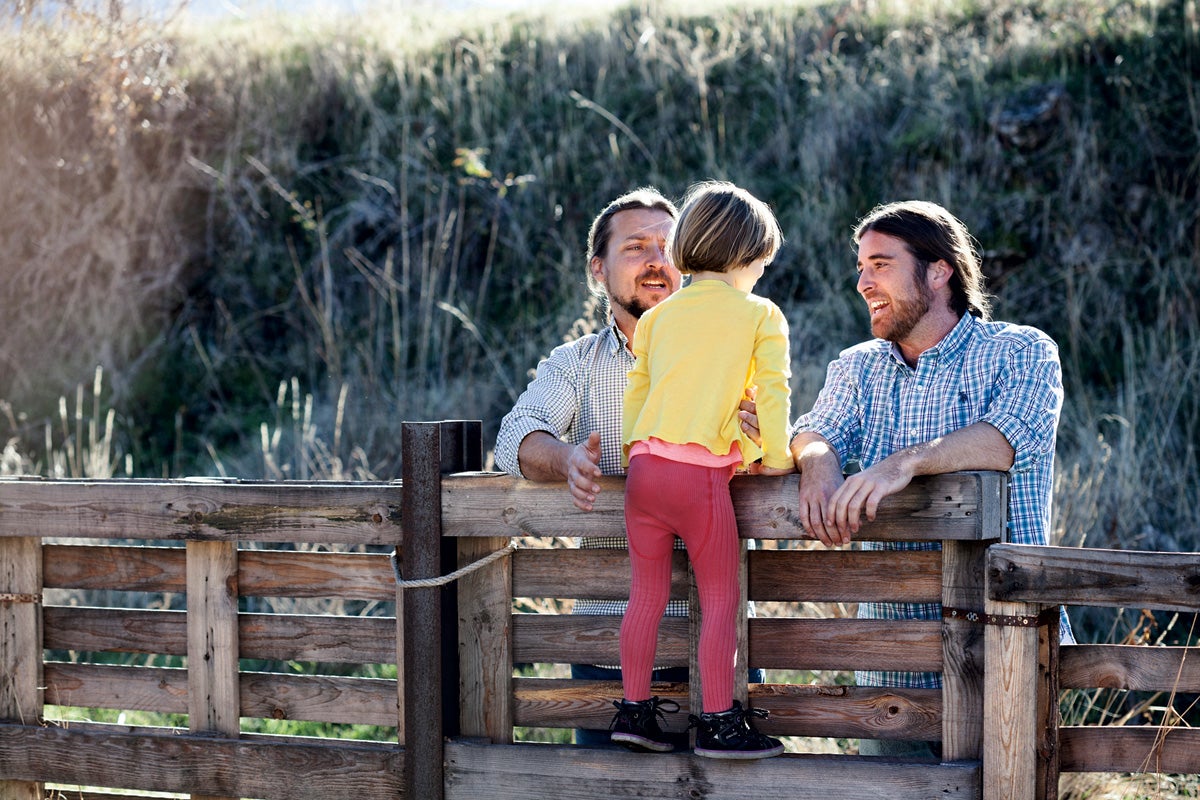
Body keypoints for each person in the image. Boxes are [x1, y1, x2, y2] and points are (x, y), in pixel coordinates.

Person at [788, 199, 1073, 759]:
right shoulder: (857, 367)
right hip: (891, 653)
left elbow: (1004, 440)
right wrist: (817, 463)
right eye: (861, 267)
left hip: (1004, 642)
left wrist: (905, 463)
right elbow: (815, 430)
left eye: (881, 265)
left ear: (939, 270)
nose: (863, 282)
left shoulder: (1021, 351)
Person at [494, 187, 762, 748]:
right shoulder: (578, 365)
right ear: (599, 268)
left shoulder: (737, 342)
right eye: (636, 247)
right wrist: (565, 458)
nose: (656, 261)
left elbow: (767, 453)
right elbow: (515, 435)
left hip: (720, 641)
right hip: (607, 646)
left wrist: (755, 437)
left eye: (668, 246)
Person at [609, 181, 790, 759]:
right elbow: (773, 395)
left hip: (644, 474)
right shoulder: (760, 314)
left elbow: (636, 398)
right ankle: (718, 723)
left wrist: (638, 451)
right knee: (719, 599)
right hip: (701, 480)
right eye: (763, 260)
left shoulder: (660, 319)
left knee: (646, 597)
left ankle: (634, 713)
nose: (762, 272)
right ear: (745, 254)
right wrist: (776, 458)